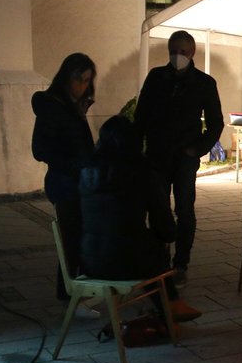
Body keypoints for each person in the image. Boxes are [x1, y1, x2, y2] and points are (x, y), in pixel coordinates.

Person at [79, 117, 201, 321]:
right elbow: (165, 227)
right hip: (127, 262)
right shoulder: (142, 172)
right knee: (152, 250)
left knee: (141, 247)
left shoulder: (86, 172)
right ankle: (171, 305)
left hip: (90, 260)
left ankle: (169, 308)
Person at [134, 30, 225, 288]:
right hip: (157, 155)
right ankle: (159, 262)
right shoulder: (156, 77)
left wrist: (197, 149)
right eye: (173, 51)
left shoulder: (204, 83)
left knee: (184, 209)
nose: (177, 56)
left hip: (185, 157)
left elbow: (216, 123)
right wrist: (138, 148)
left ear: (192, 52)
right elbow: (141, 116)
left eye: (182, 52)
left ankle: (181, 264)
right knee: (158, 209)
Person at [31, 53, 97, 314]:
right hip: (65, 181)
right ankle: (72, 296)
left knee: (80, 236)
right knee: (71, 238)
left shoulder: (73, 106)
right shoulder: (53, 107)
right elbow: (40, 149)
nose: (81, 85)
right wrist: (74, 163)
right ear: (66, 77)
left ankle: (74, 291)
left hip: (79, 180)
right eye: (78, 79)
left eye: (87, 80)